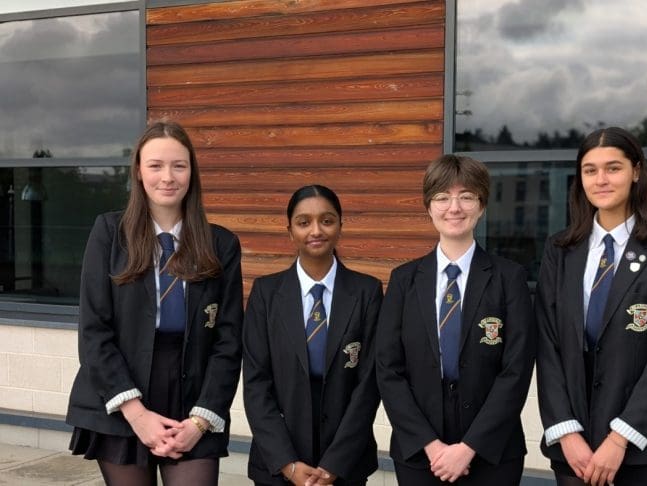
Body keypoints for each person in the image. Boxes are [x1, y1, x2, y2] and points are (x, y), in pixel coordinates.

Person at [66, 120, 244, 486]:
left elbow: (228, 342)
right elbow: (94, 332)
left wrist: (200, 421)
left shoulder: (221, 245)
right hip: (122, 395)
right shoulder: (109, 234)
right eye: (155, 165)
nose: (168, 177)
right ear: (138, 171)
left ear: (192, 172)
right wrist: (137, 414)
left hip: (193, 400)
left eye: (179, 166)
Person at [535, 127, 647, 486]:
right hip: (575, 448)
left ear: (636, 171)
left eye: (613, 168)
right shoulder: (560, 251)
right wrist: (566, 432)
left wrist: (620, 437)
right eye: (590, 170)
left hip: (643, 447)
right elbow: (547, 344)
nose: (601, 180)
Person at [376, 154, 536, 485]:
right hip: (420, 453)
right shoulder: (404, 280)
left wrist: (469, 447)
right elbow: (388, 369)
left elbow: (516, 370)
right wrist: (432, 446)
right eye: (442, 197)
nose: (454, 208)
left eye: (466, 196)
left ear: (482, 205)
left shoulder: (509, 278)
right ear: (428, 206)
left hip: (493, 452)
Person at [242, 184, 383, 486]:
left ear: (340, 226)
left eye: (327, 220)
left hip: (346, 463)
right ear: (290, 231)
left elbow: (369, 385)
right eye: (304, 222)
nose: (316, 230)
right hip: (279, 461)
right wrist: (288, 464)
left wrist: (335, 464)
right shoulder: (266, 294)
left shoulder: (367, 292)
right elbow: (256, 384)